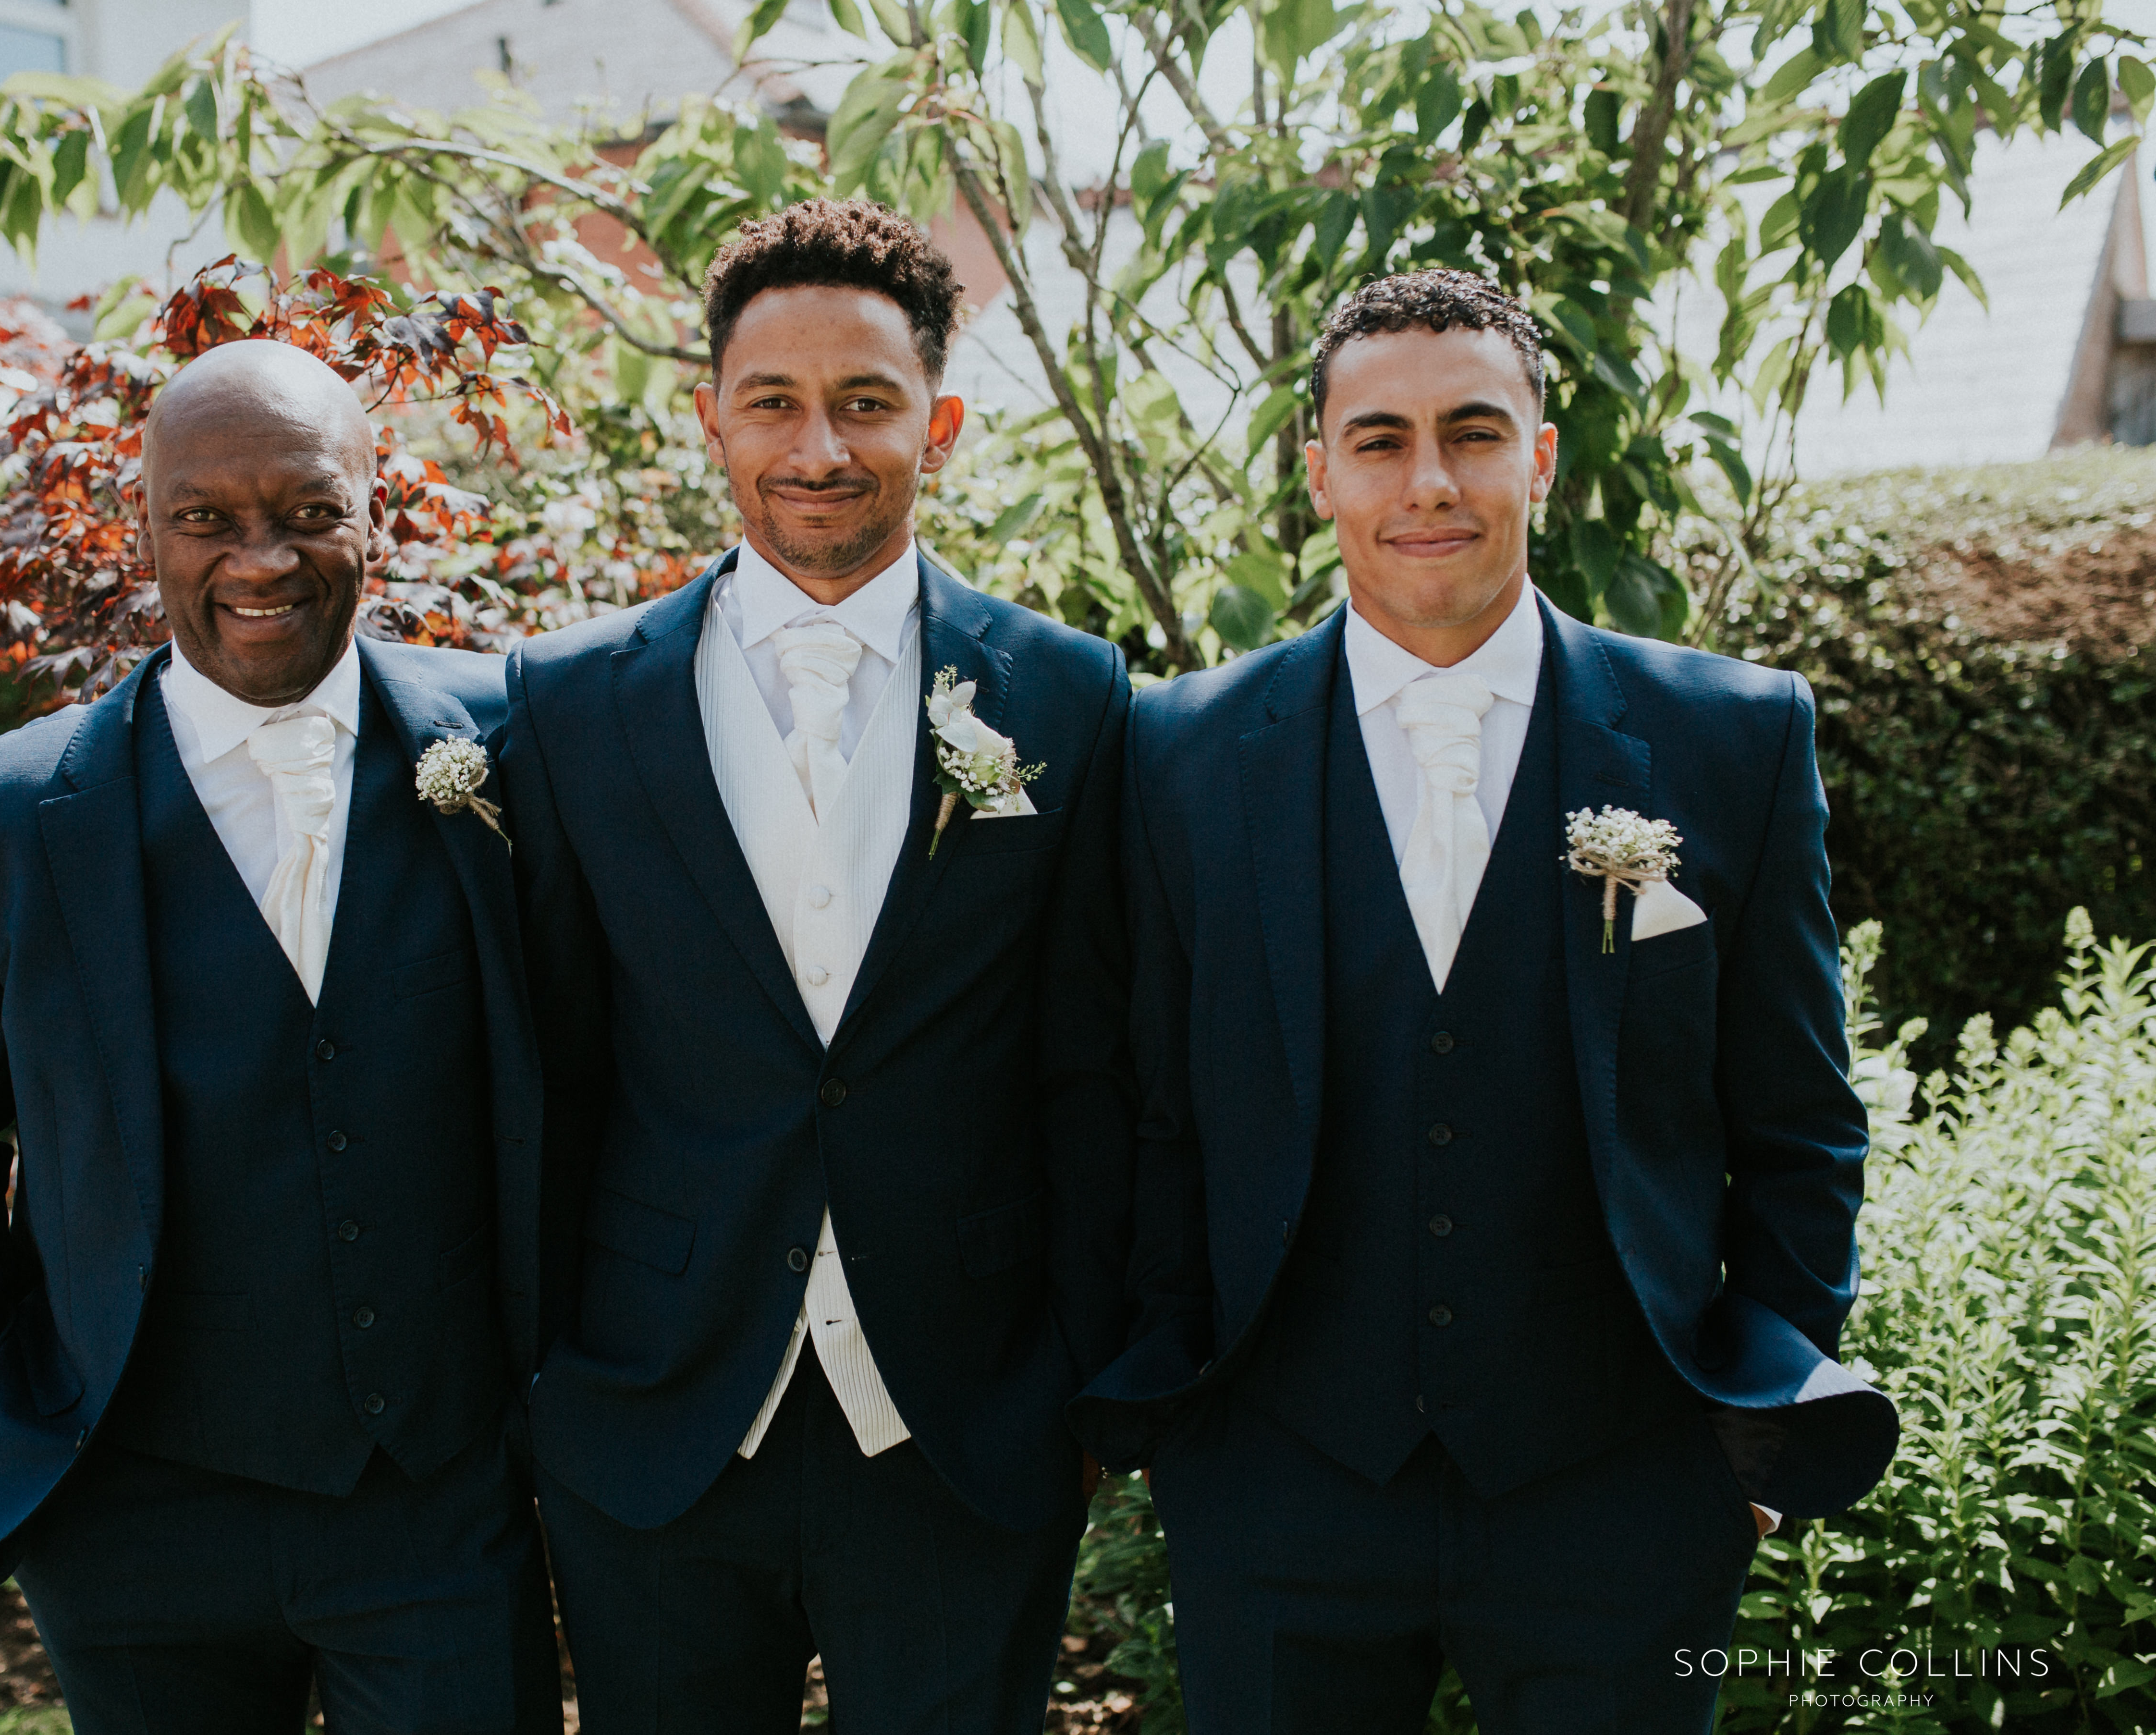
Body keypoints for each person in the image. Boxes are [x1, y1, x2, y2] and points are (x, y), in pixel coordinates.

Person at [1073, 269, 1899, 1733]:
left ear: (1541, 454)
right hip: (1277, 1487)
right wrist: (1174, 1410)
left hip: (1623, 1486)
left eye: (1472, 429)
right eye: (1380, 438)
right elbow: (1150, 1111)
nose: (1429, 480)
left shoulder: (1730, 736)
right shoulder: (1180, 752)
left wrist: (1743, 1422)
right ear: (1319, 467)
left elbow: (1799, 1118)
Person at [0, 340, 560, 1735]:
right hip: (133, 1524)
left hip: (435, 1504)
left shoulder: (523, 741)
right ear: (145, 530)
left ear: (377, 511)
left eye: (308, 511)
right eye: (207, 519)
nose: (261, 560)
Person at [498, 199, 1133, 1733]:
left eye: (866, 403)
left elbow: (1098, 1061)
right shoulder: (570, 703)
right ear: (710, 416)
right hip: (654, 1412)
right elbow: (549, 1064)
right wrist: (550, 1377)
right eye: (773, 402)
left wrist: (1084, 1376)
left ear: (943, 421)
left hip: (964, 1410)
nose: (819, 448)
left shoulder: (1070, 692)